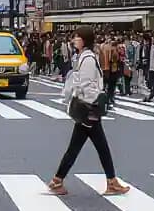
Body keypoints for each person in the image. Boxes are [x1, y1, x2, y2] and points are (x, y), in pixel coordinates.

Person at [47, 26, 129, 196]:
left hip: (86, 109)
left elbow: (83, 84)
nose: (74, 40)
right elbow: (85, 85)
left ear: (84, 40)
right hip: (89, 110)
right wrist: (96, 102)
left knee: (80, 147)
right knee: (99, 147)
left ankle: (57, 180)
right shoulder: (87, 58)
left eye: (77, 37)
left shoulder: (87, 58)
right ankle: (111, 182)